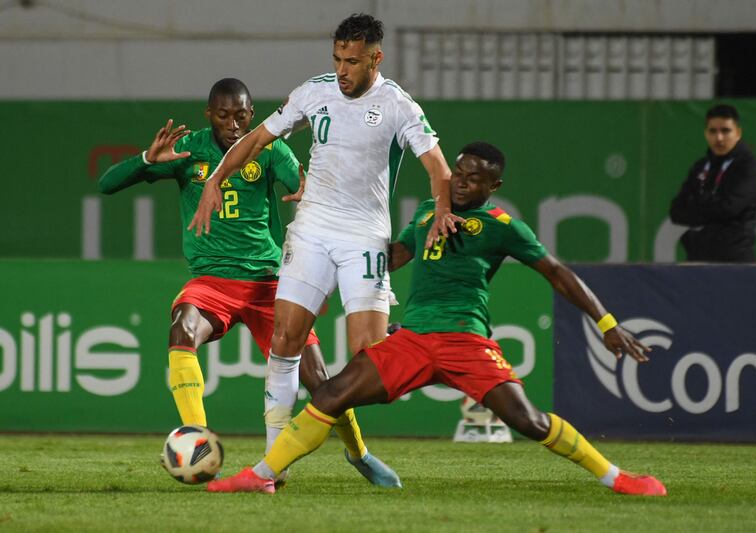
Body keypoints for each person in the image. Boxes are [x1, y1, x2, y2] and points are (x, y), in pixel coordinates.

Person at [207, 141, 667, 496]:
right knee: (330, 393)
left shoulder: (503, 227)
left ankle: (616, 477)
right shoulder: (429, 212)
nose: (461, 183)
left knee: (529, 421)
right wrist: (324, 272)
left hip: (467, 342)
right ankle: (261, 474)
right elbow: (394, 256)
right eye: (458, 173)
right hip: (411, 340)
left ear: (493, 186)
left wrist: (607, 323)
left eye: (473, 178)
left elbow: (558, 273)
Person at [188, 13, 461, 478]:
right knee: (285, 341)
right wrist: (216, 179)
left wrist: (441, 208)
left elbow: (438, 166)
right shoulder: (313, 92)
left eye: (351, 61)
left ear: (376, 58)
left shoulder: (398, 105)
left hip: (364, 236)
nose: (342, 70)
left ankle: (404, 350)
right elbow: (256, 140)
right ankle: (274, 464)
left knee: (369, 361)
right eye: (336, 59)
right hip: (312, 228)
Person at [97, 78, 399, 487]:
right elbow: (106, 184)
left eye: (241, 115)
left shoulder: (271, 148)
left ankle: (358, 453)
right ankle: (198, 441)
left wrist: (308, 193)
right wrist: (147, 160)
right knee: (181, 330)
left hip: (269, 283)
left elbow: (305, 186)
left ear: (252, 114)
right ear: (209, 114)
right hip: (211, 283)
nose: (233, 124)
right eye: (223, 115)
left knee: (321, 383)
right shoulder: (190, 151)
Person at [669, 104, 756, 262]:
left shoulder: (749, 168)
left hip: (734, 262)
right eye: (712, 131)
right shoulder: (700, 166)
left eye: (725, 130)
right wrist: (712, 206)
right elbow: (676, 211)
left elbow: (728, 208)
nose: (719, 138)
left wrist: (698, 206)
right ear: (705, 133)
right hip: (698, 259)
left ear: (738, 133)